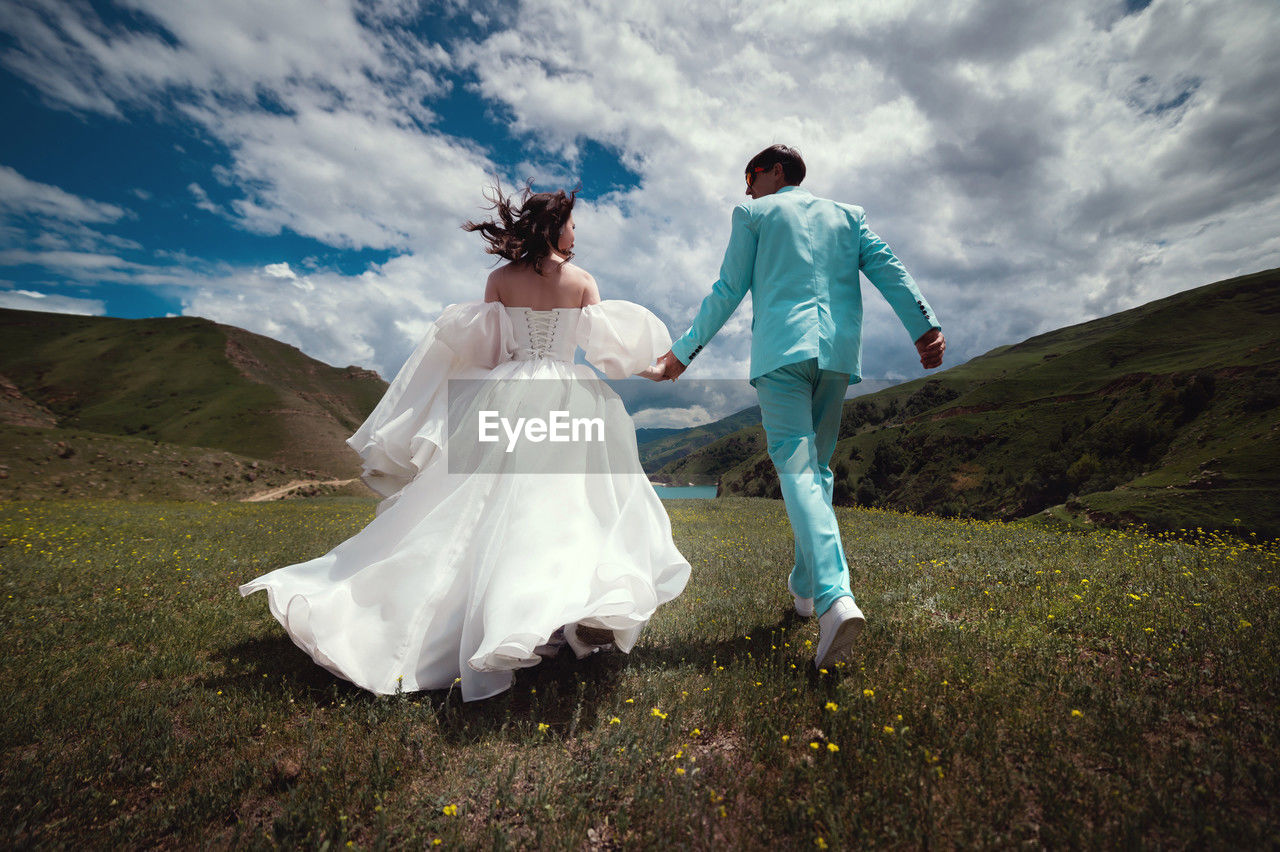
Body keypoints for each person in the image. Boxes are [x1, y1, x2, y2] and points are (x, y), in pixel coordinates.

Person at [240, 182, 691, 701]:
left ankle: (513, 618)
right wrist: (662, 370)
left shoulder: (499, 280)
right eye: (572, 223)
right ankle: (543, 616)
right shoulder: (582, 281)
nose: (575, 232)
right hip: (567, 398)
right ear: (556, 225)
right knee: (564, 509)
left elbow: (490, 353)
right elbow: (612, 354)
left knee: (484, 506)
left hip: (508, 393)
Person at [652, 145, 946, 670]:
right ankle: (805, 591)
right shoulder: (849, 216)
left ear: (776, 172)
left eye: (751, 175)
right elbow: (890, 269)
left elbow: (727, 289)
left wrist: (682, 353)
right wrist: (924, 326)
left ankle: (837, 599)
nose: (746, 188)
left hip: (781, 355)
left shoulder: (753, 214)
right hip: (836, 356)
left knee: (798, 469)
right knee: (818, 471)